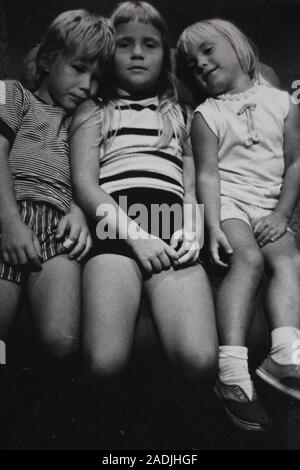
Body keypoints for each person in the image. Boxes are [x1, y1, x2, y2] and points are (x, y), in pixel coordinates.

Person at [71, 1, 218, 448]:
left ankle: (176, 446)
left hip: (170, 221)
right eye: (125, 45)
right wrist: (135, 236)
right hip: (115, 224)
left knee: (198, 358)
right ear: (107, 56)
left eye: (149, 45)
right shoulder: (93, 111)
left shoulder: (181, 113)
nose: (137, 54)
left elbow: (191, 184)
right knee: (104, 362)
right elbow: (84, 184)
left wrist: (192, 225)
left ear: (164, 54)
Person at [176, 18, 300, 432]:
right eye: (192, 65)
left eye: (208, 51)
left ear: (237, 46)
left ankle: (285, 352)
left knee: (287, 259)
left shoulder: (283, 103)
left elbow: (296, 162)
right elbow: (207, 175)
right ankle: (231, 371)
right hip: (228, 200)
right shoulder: (205, 114)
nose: (202, 65)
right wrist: (212, 224)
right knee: (246, 258)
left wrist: (282, 214)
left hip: (268, 205)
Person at [0, 9, 115, 447]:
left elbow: (93, 180)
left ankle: (39, 421)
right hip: (7, 215)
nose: (88, 85)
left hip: (57, 227)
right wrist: (10, 223)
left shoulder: (87, 119)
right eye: (79, 69)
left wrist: (81, 212)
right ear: (49, 59)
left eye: (97, 77)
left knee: (63, 340)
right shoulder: (10, 93)